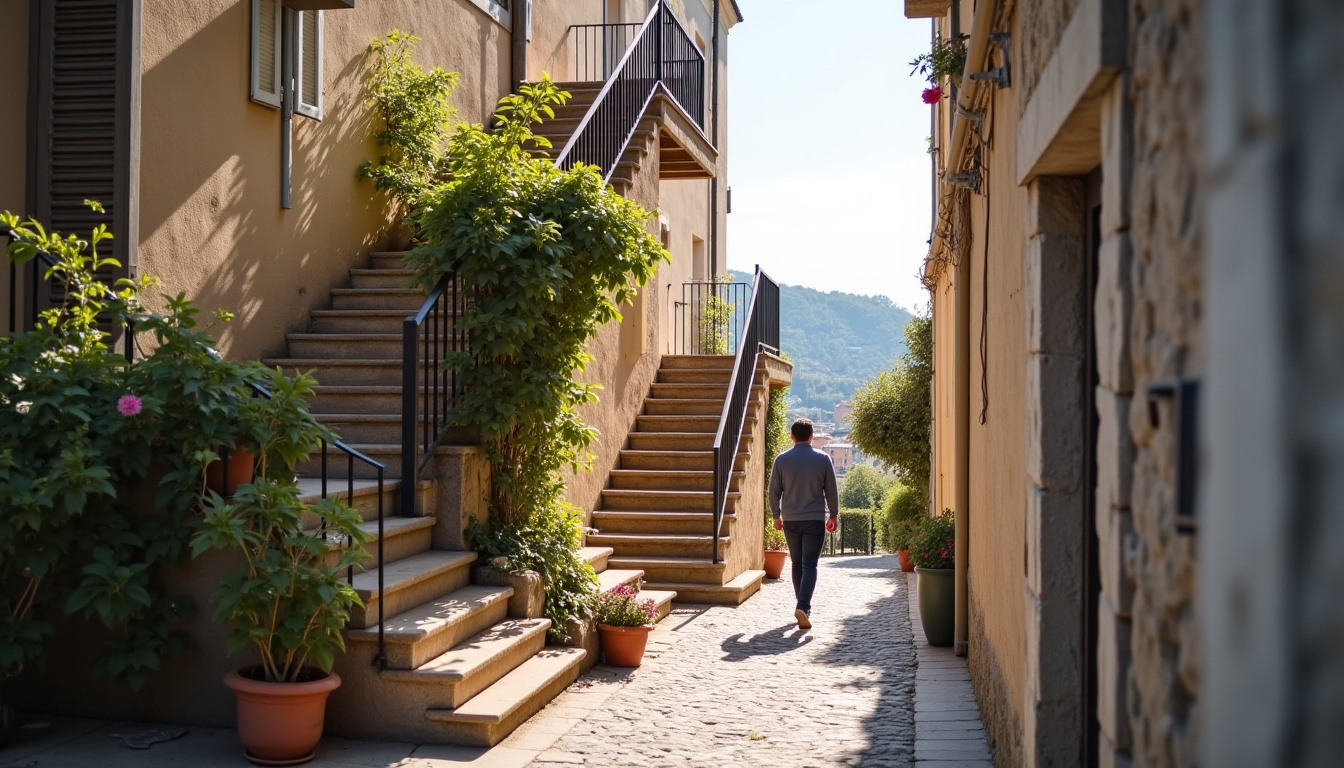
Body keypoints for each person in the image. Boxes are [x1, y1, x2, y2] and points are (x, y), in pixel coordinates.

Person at [767, 418, 839, 630]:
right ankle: (803, 606)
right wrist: (833, 515)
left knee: (797, 564)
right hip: (814, 519)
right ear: (811, 436)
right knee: (810, 564)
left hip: (790, 519)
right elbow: (831, 490)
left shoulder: (781, 460)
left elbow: (773, 492)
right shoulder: (823, 459)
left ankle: (802, 606)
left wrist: (775, 515)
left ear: (792, 435)